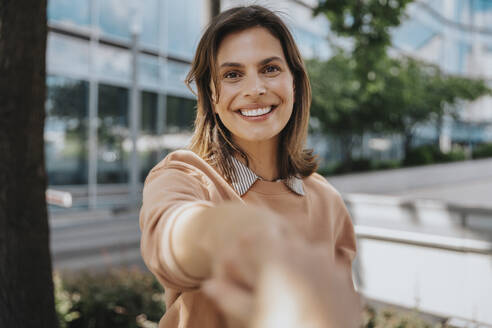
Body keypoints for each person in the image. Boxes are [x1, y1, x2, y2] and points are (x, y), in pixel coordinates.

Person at [139, 5, 361, 328]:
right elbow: (167, 235)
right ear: (212, 96)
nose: (254, 89)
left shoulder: (327, 202)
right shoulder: (183, 176)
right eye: (232, 75)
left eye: (270, 68)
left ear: (294, 83)